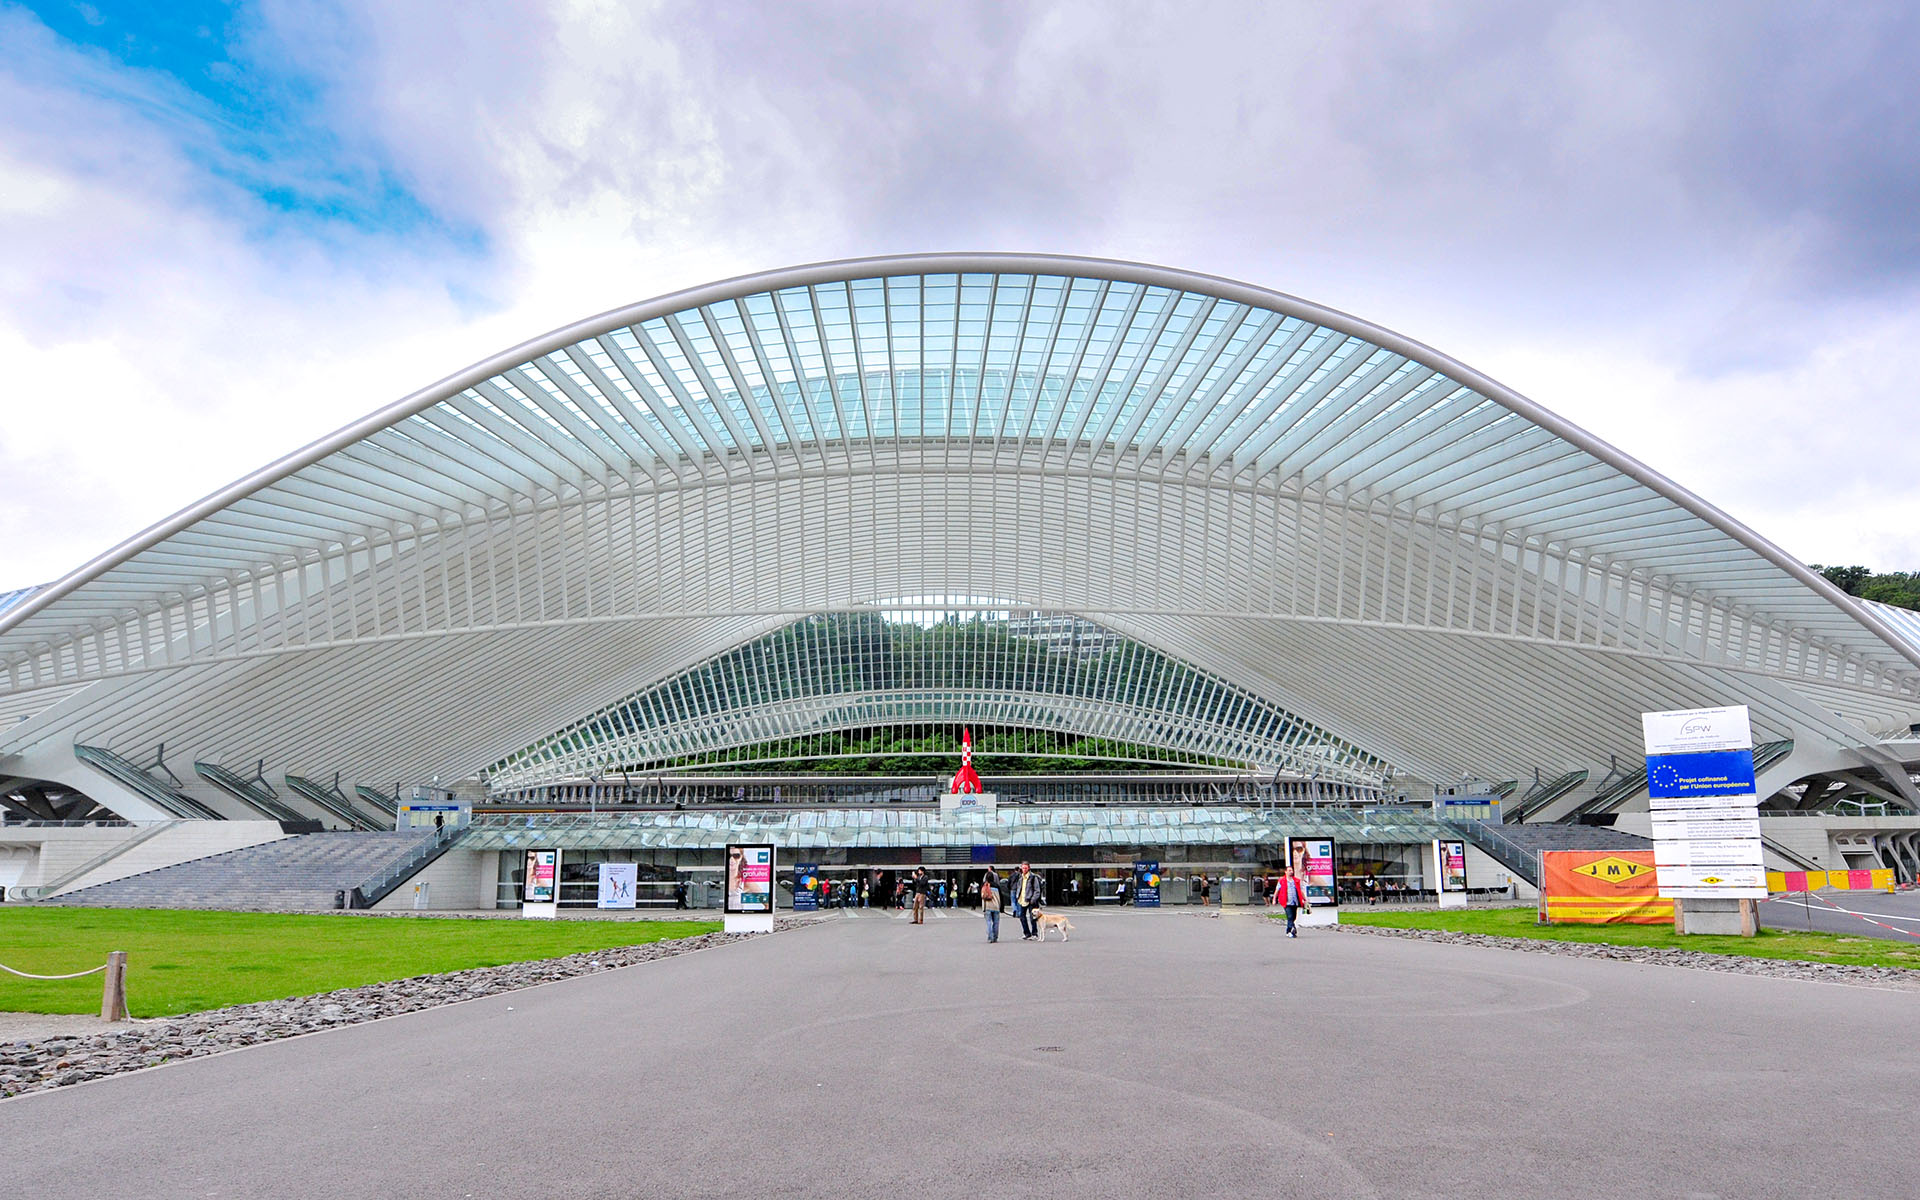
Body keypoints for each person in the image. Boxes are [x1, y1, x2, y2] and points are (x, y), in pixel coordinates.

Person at [1276, 867, 1311, 937]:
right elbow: (1277, 890)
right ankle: (1293, 929)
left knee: (1294, 917)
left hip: (1294, 902)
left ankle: (1288, 930)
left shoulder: (1296, 881)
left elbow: (1301, 891)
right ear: (1285, 872)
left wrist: (1305, 899)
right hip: (1286, 902)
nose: (1291, 872)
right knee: (1290, 916)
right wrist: (1274, 899)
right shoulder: (1282, 880)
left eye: (1291, 870)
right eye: (1289, 870)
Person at [1013, 861, 1043, 939]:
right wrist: (1017, 896)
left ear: (1029, 868)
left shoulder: (1033, 877)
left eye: (1026, 868)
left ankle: (1034, 934)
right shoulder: (1020, 877)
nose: (1024, 869)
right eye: (1023, 868)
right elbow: (1019, 887)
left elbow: (1037, 890)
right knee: (1022, 917)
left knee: (1032, 917)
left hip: (1030, 900)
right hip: (1021, 900)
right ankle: (1027, 933)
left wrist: (1033, 899)